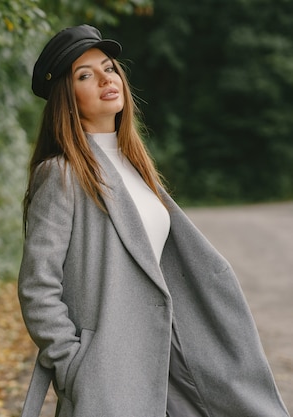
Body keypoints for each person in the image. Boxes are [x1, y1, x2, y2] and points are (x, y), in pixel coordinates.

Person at [17, 24, 290, 417]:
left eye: (109, 67)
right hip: (110, 375)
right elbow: (37, 286)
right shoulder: (61, 174)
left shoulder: (135, 166)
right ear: (67, 98)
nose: (105, 78)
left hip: (172, 360)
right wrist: (74, 365)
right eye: (84, 75)